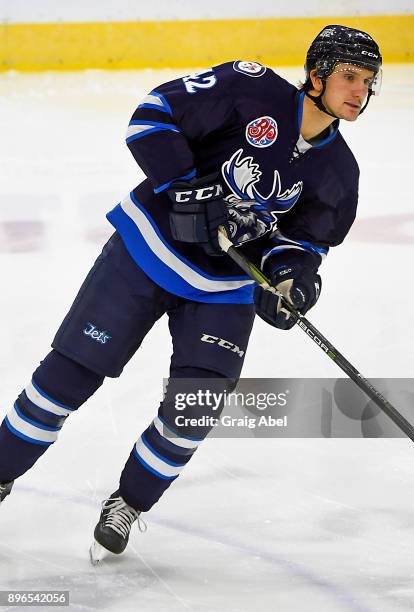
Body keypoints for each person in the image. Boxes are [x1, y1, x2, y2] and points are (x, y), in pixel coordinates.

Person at [0, 24, 382, 563]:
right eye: (348, 76)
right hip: (146, 251)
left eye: (368, 81)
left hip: (222, 286)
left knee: (194, 408)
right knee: (69, 375)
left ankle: (129, 503)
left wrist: (291, 280)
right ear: (315, 76)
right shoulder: (249, 90)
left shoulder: (340, 172)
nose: (359, 91)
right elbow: (151, 117)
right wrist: (185, 190)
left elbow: (300, 244)